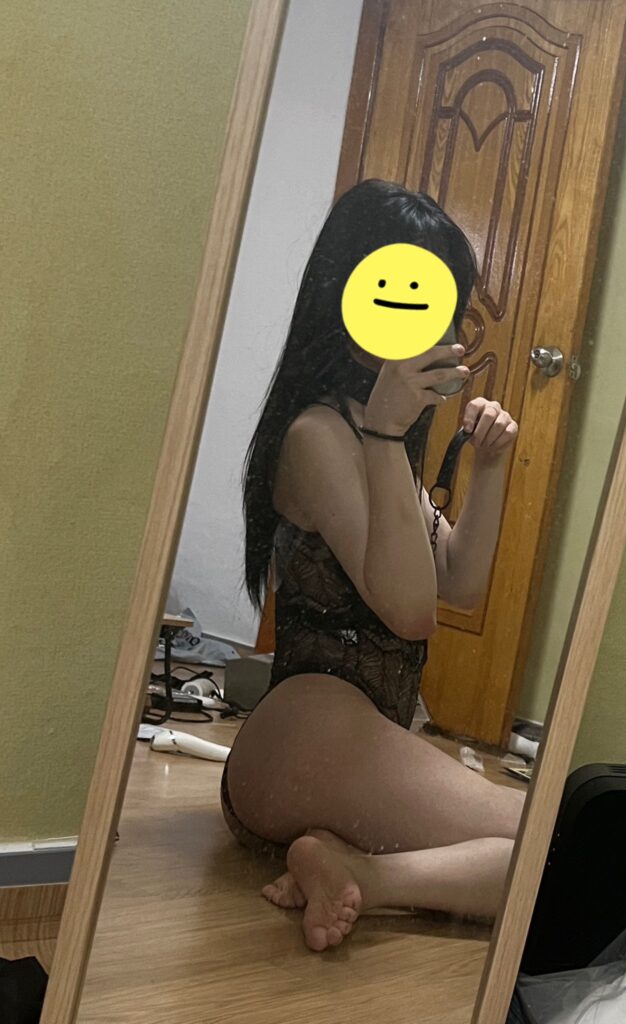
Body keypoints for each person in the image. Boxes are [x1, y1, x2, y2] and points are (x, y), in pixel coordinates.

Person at [221, 179, 526, 952]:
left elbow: (456, 582)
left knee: (547, 847)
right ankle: (360, 869)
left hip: (346, 742)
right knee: (549, 847)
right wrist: (389, 437)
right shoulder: (319, 436)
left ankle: (356, 873)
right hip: (303, 736)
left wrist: (490, 467)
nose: (443, 334)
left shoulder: (373, 432)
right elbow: (410, 613)